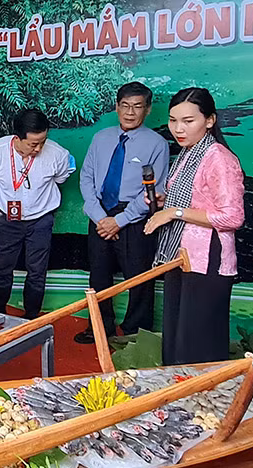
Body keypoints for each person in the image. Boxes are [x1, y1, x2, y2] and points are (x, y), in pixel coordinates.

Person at [144, 88, 244, 365]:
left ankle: (206, 401)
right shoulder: (189, 153)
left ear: (209, 120)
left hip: (207, 258)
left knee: (198, 341)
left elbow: (232, 217)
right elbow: (194, 198)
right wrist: (166, 201)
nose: (178, 129)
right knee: (178, 335)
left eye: (188, 121)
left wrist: (174, 212)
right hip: (180, 253)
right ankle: (177, 398)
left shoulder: (220, 158)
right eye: (173, 121)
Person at [76, 82, 169, 344]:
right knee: (98, 275)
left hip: (133, 217)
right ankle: (99, 326)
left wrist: (119, 221)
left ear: (148, 110)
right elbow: (87, 179)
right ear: (116, 106)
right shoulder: (101, 138)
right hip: (99, 213)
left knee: (139, 278)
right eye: (125, 106)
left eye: (137, 106)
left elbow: (154, 191)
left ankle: (135, 333)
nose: (130, 112)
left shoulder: (156, 144)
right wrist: (100, 218)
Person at [0, 109, 75, 319]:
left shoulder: (58, 154)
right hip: (8, 219)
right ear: (17, 138)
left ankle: (31, 317)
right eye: (33, 144)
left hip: (41, 219)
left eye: (43, 141)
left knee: (37, 271)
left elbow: (61, 177)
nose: (39, 148)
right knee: (3, 268)